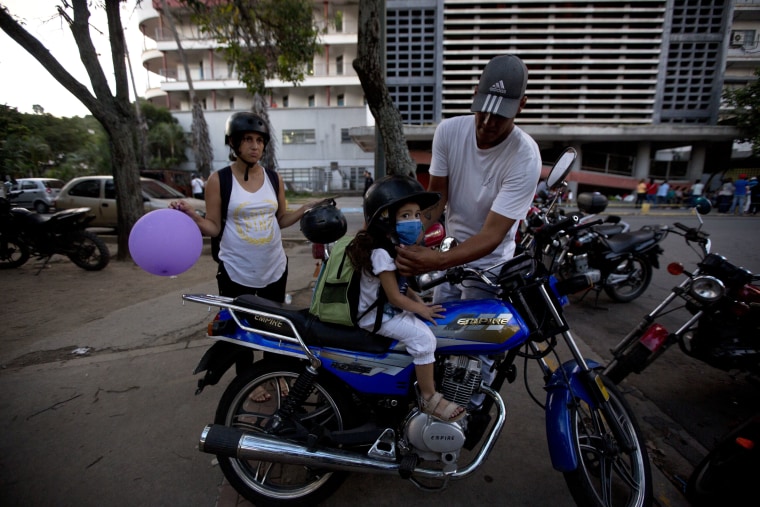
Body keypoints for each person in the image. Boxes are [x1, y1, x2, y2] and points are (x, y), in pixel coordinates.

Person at [395, 54, 542, 409]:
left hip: (490, 264)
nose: (488, 122)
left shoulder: (525, 157)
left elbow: (492, 235)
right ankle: (430, 406)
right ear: (474, 93)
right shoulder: (449, 131)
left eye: (500, 115)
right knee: (437, 336)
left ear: (521, 106)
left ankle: (469, 410)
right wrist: (407, 237)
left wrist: (432, 259)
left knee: (477, 351)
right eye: (482, 110)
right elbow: (437, 199)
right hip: (450, 252)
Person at [347, 175, 465, 422]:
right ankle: (429, 397)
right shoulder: (381, 253)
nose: (415, 221)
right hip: (376, 317)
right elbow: (394, 296)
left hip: (387, 309)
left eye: (416, 215)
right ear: (384, 220)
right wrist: (421, 310)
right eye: (405, 216)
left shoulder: (392, 246)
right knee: (424, 340)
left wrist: (419, 302)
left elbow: (403, 289)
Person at [171, 112, 320, 301]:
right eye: (248, 139)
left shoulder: (274, 179)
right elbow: (214, 227)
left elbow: (280, 219)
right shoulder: (219, 180)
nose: (255, 146)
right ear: (233, 142)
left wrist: (305, 208)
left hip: (275, 268)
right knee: (238, 327)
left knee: (271, 326)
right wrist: (194, 217)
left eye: (259, 140)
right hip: (235, 270)